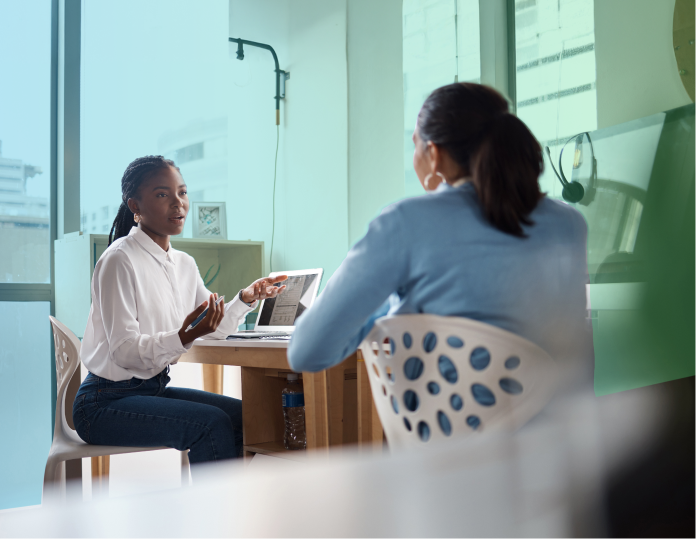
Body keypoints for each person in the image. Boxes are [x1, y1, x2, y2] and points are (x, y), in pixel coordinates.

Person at [288, 83, 592, 388]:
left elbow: (306, 351)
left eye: (415, 145)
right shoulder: (569, 223)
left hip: (456, 434)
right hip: (564, 429)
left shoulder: (405, 224)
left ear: (434, 153)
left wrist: (392, 304)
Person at [73, 156, 287, 470]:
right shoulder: (119, 260)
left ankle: (236, 505)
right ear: (136, 206)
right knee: (210, 424)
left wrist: (245, 298)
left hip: (153, 389)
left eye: (182, 193)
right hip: (103, 404)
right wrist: (185, 335)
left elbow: (213, 328)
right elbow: (124, 352)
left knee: (248, 418)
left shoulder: (183, 263)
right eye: (163, 195)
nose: (178, 203)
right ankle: (216, 517)